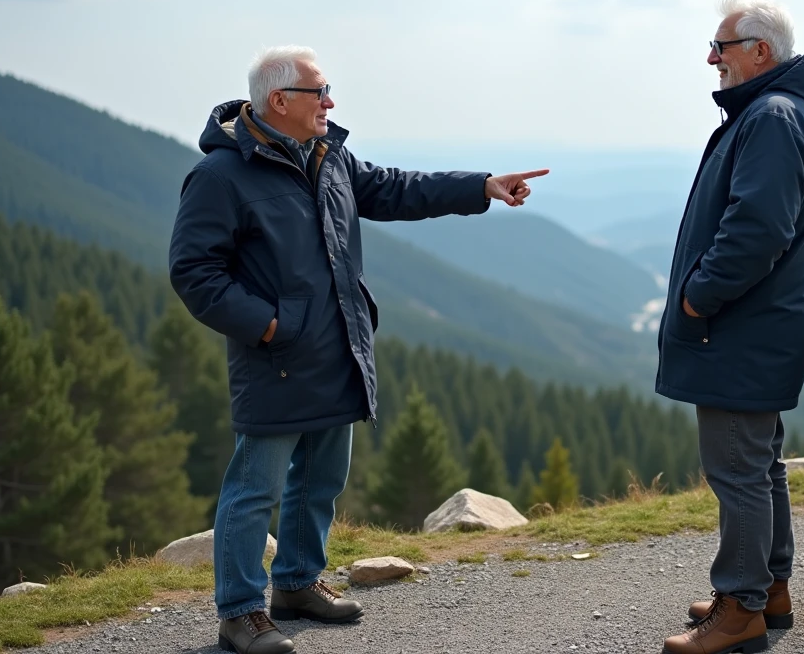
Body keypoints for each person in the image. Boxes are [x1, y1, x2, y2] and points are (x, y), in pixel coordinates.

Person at [168, 45, 547, 654]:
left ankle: (294, 583)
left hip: (339, 347)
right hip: (278, 359)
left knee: (323, 479)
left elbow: (396, 189)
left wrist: (482, 186)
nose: (331, 102)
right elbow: (194, 272)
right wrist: (268, 327)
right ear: (280, 101)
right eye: (320, 92)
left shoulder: (328, 157)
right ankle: (240, 612)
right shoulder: (220, 177)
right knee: (254, 489)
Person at [656, 0, 804, 654]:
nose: (711, 59)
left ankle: (740, 608)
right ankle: (771, 587)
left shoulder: (772, 117)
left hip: (739, 329)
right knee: (760, 465)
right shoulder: (787, 113)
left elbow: (757, 230)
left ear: (760, 53)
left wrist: (696, 299)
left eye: (720, 47)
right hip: (762, 327)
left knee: (737, 468)